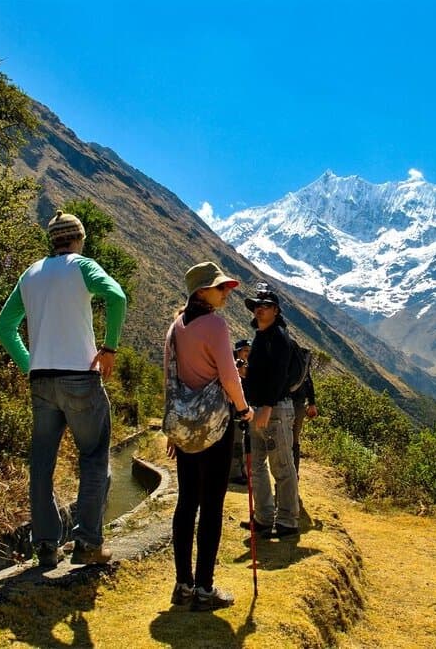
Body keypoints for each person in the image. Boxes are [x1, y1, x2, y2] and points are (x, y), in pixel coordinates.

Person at [0, 209, 127, 568]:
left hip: (42, 381)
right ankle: (87, 544)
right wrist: (109, 348)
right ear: (79, 238)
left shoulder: (31, 274)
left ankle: (46, 547)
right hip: (80, 377)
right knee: (94, 456)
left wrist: (30, 364)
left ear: (51, 240)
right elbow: (116, 297)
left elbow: (3, 328)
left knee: (42, 463)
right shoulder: (82, 266)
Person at [165, 261, 254, 612]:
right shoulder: (215, 325)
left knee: (186, 501)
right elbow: (230, 377)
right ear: (202, 292)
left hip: (185, 426)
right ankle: (205, 589)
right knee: (212, 505)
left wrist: (172, 427)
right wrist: (244, 409)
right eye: (220, 288)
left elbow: (169, 380)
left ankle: (182, 584)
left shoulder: (176, 327)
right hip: (215, 424)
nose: (226, 292)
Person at [241, 284, 299, 538]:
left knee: (282, 466)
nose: (259, 310)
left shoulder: (279, 339)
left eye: (264, 306)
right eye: (256, 307)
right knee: (256, 467)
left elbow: (278, 376)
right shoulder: (262, 337)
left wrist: (266, 406)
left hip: (273, 409)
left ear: (276, 310)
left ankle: (288, 520)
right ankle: (263, 517)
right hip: (259, 409)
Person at [229, 339, 251, 485]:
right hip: (234, 412)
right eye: (245, 351)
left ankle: (242, 471)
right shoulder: (231, 366)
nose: (247, 354)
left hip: (244, 410)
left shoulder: (247, 366)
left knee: (243, 444)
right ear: (238, 351)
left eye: (249, 351)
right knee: (236, 443)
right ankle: (234, 473)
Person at [291, 371, 318, 478]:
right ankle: (291, 478)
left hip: (295, 402)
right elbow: (308, 378)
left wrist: (312, 403)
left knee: (293, 441)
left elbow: (307, 377)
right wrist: (312, 403)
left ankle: (292, 478)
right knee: (293, 441)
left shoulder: (304, 355)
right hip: (297, 403)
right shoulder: (304, 354)